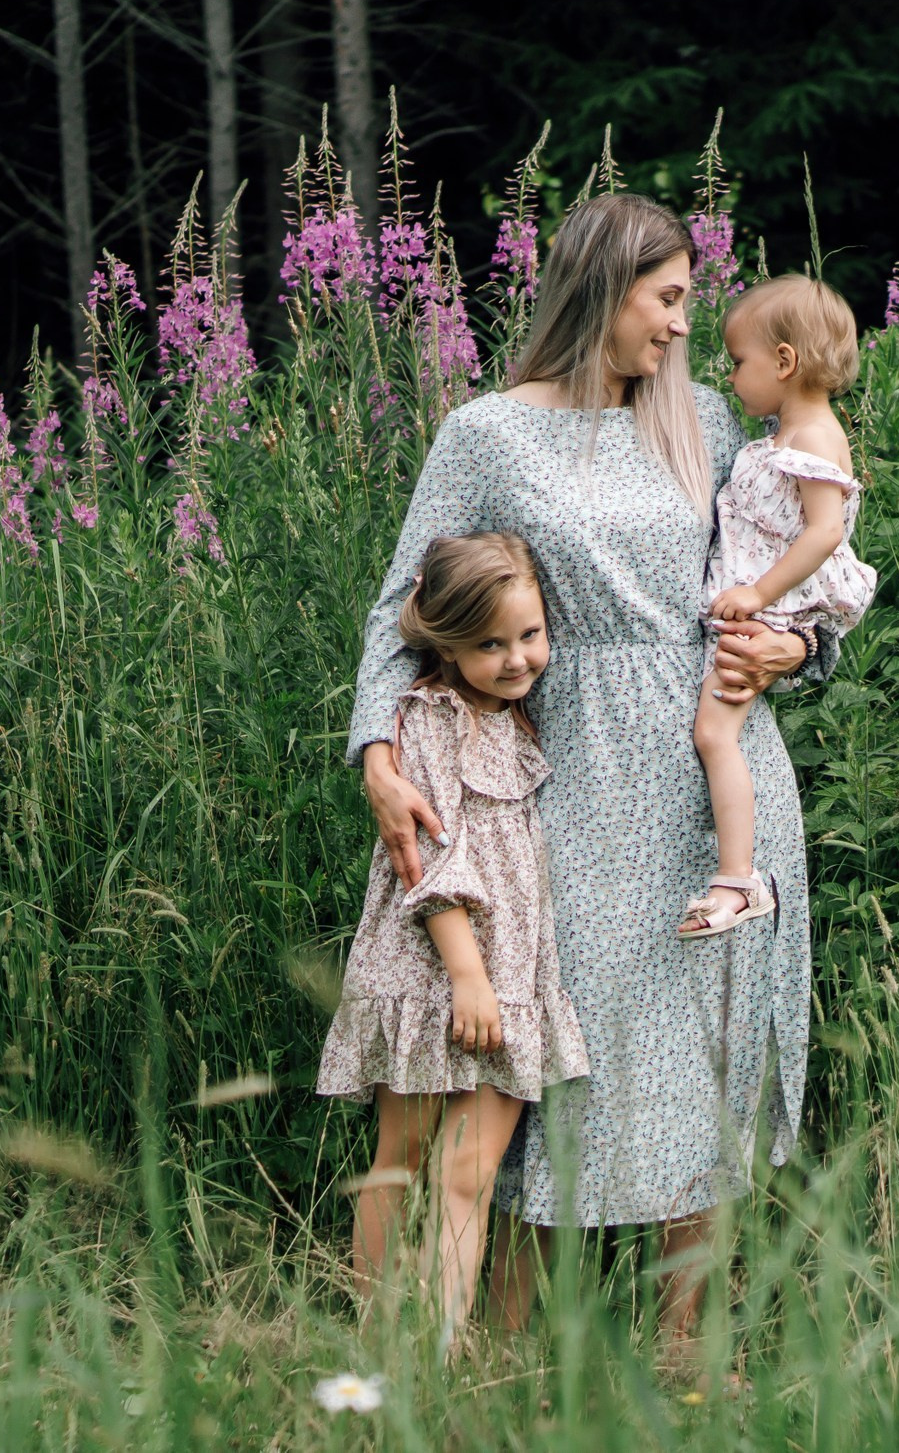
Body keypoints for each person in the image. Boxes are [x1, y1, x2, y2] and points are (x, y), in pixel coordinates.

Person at [347, 192, 838, 1364]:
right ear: (600, 288)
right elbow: (398, 609)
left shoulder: (713, 421)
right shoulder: (487, 436)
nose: (682, 325)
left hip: (721, 774)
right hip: (561, 784)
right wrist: (376, 752)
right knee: (556, 1060)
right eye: (665, 299)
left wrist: (801, 651)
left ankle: (684, 1359)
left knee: (708, 1056)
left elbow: (803, 578)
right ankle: (515, 1357)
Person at [316, 532, 588, 1351]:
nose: (515, 659)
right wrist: (467, 973)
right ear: (445, 644)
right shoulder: (428, 721)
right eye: (489, 645)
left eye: (529, 636)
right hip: (436, 971)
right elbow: (427, 861)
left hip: (510, 980)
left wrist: (498, 980)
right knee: (401, 1159)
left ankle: (437, 1348)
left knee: (467, 1171)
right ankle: (378, 1339)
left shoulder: (522, 720)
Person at [679, 277, 877, 938]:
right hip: (762, 607)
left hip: (772, 612)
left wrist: (759, 597)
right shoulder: (787, 432)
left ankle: (738, 880)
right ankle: (736, 875)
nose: (731, 377)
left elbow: (824, 532)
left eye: (739, 362)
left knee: (715, 733)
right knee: (715, 732)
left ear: (785, 362)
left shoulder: (813, 437)